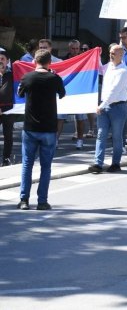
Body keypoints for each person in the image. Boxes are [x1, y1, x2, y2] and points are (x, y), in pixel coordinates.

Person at [16, 49, 66, 210]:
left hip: (30, 127)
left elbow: (20, 93)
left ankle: (24, 200)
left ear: (34, 61)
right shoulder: (55, 78)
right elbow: (63, 94)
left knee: (27, 165)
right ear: (49, 62)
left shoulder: (27, 77)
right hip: (49, 128)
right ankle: (42, 201)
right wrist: (54, 75)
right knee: (46, 166)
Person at [87, 44, 127, 174]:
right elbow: (99, 68)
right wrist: (97, 55)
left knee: (117, 137)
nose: (111, 55)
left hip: (118, 107)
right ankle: (98, 163)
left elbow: (114, 91)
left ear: (121, 55)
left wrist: (101, 105)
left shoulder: (124, 71)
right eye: (110, 52)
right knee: (101, 134)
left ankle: (115, 163)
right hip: (105, 107)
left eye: (113, 53)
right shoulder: (109, 67)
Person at [0, 49, 15, 166]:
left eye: (2, 59)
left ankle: (6, 158)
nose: (0, 62)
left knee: (8, 135)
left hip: (8, 109)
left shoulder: (13, 74)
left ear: (7, 61)